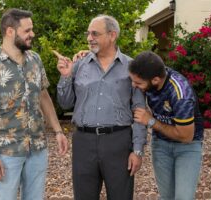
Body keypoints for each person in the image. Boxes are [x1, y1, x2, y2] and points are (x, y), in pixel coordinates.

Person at [0, 8, 68, 200]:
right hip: (7, 153)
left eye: (31, 29)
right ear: (10, 31)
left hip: (37, 148)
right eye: (27, 31)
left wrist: (58, 131)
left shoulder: (35, 60)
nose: (32, 34)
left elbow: (44, 97)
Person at [54, 15, 147, 200]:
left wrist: (137, 150)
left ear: (112, 35)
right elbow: (65, 104)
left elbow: (139, 112)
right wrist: (65, 76)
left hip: (118, 142)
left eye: (95, 33)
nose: (89, 38)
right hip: (83, 143)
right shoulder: (79, 65)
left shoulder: (131, 67)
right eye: (88, 33)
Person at [128, 51, 204, 200]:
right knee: (166, 197)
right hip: (161, 145)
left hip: (187, 148)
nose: (133, 86)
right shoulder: (150, 74)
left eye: (138, 83)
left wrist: (151, 122)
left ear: (155, 80)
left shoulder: (180, 93)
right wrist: (88, 55)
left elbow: (186, 136)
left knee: (183, 197)